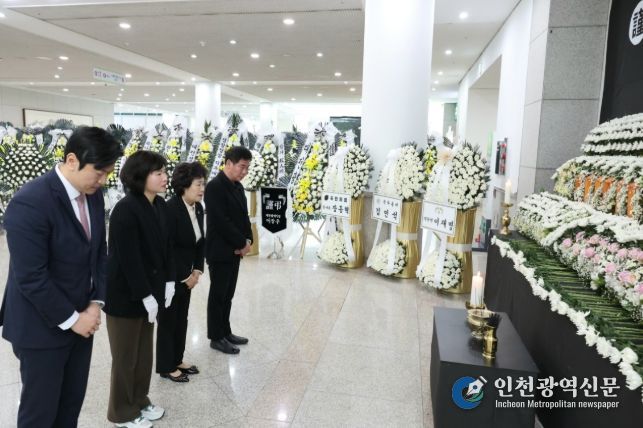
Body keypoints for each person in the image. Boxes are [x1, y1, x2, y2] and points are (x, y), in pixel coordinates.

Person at [0, 126, 121, 427]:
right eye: (99, 172)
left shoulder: (92, 195)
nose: (103, 181)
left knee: (69, 407)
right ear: (72, 160)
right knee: (40, 414)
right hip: (41, 327)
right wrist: (72, 319)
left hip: (83, 321)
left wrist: (95, 304)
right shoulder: (31, 201)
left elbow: (99, 253)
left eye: (108, 173)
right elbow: (31, 277)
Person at [104, 150, 175, 428]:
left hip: (151, 293)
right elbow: (129, 259)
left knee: (144, 355)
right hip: (127, 295)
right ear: (140, 177)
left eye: (164, 172)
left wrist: (170, 280)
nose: (165, 177)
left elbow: (167, 247)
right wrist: (145, 294)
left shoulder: (159, 205)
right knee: (125, 357)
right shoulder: (126, 210)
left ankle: (140, 400)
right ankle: (121, 412)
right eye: (158, 173)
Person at [156, 162, 206, 382]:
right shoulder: (170, 209)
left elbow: (200, 241)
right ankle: (166, 366)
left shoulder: (198, 208)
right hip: (170, 276)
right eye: (198, 184)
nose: (202, 189)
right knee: (168, 320)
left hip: (189, 275)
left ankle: (177, 358)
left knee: (181, 319)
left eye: (203, 184)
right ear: (184, 185)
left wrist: (197, 270)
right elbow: (167, 249)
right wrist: (185, 277)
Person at [205, 146, 253, 354]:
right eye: (242, 167)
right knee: (218, 295)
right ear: (228, 163)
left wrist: (248, 239)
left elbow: (244, 217)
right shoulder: (214, 187)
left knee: (228, 294)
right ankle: (216, 337)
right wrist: (241, 243)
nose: (245, 172)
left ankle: (226, 331)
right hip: (220, 250)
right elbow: (221, 221)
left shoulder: (238, 187)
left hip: (235, 250)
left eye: (247, 168)